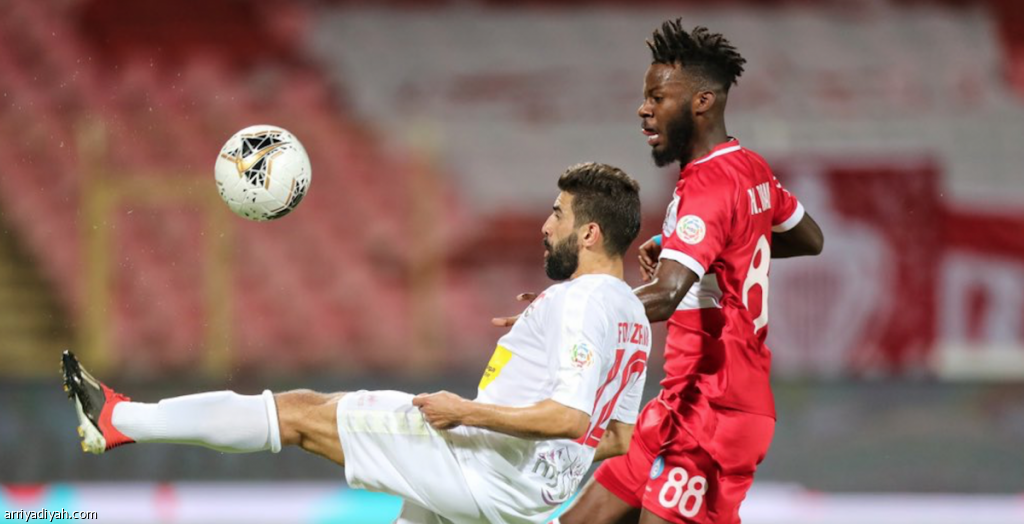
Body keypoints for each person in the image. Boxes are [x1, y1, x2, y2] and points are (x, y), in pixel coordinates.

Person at [62, 162, 652, 524]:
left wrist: (465, 412)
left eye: (558, 215)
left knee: (300, 413)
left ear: (589, 232)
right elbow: (618, 436)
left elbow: (570, 417)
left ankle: (118, 419)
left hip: (480, 468)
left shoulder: (582, 302)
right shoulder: (631, 315)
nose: (545, 226)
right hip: (525, 496)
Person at [517, 20, 824, 524]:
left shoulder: (708, 186)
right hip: (679, 404)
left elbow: (665, 293)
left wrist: (566, 307)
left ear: (702, 102)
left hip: (715, 409)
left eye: (658, 98)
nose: (644, 109)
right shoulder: (749, 168)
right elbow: (809, 238)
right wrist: (698, 246)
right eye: (646, 97)